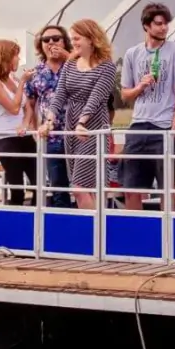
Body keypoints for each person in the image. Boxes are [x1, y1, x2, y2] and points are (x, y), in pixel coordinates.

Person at [40, 18, 118, 211]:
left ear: (91, 39)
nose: (73, 43)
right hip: (71, 128)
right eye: (72, 38)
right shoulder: (70, 64)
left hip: (93, 128)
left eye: (77, 38)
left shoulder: (107, 66)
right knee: (84, 185)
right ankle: (98, 224)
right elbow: (60, 96)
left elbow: (97, 98)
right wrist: (49, 121)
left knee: (79, 187)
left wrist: (82, 122)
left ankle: (91, 227)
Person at [117, 3, 175, 210]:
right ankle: (134, 234)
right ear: (146, 26)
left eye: (166, 24)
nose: (164, 28)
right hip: (138, 125)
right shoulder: (133, 54)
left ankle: (168, 235)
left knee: (167, 188)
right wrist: (141, 86)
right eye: (158, 24)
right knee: (131, 187)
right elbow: (125, 94)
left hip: (165, 127)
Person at [0, 39, 36, 206]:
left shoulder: (14, 79)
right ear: (6, 57)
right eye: (16, 56)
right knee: (17, 189)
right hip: (7, 141)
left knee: (37, 185)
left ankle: (35, 223)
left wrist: (25, 124)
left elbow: (28, 108)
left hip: (24, 138)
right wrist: (23, 83)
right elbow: (13, 108)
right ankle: (14, 222)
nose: (18, 60)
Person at [23, 24, 72, 206]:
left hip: (77, 135)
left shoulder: (76, 66)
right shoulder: (36, 73)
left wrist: (68, 56)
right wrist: (34, 129)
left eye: (56, 38)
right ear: (41, 44)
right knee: (58, 184)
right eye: (46, 39)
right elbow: (30, 104)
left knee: (83, 185)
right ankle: (64, 224)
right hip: (50, 137)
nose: (51, 42)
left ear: (64, 41)